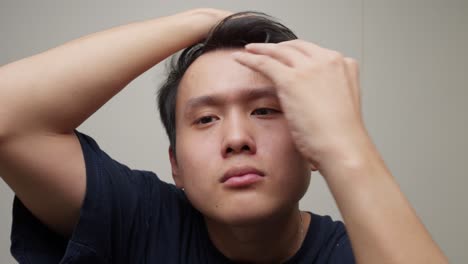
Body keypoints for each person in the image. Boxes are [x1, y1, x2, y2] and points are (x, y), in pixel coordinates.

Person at [0, 8, 448, 264]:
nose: (236, 138)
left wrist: (347, 142)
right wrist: (210, 20)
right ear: (174, 164)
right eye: (206, 119)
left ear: (314, 146)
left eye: (265, 110)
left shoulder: (361, 253)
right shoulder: (139, 219)